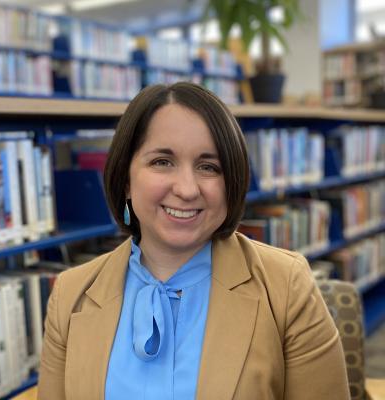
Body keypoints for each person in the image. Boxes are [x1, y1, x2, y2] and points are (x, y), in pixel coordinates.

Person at [38, 82, 350, 400]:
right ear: (126, 179)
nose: (187, 189)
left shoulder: (286, 287)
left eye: (208, 167)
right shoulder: (70, 296)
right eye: (162, 161)